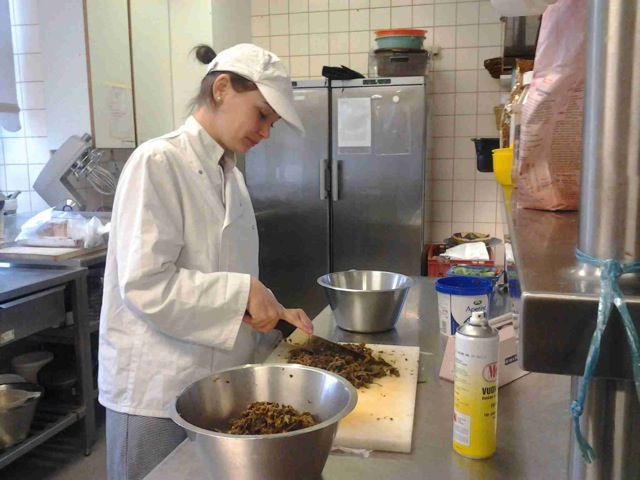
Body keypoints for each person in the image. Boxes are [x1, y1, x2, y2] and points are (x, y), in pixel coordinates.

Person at [98, 43, 314, 480]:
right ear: (221, 89)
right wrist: (243, 293)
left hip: (216, 386)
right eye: (261, 115)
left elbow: (229, 274)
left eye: (271, 123)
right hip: (155, 389)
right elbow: (145, 285)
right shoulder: (158, 162)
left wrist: (273, 309)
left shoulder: (231, 176)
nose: (265, 132)